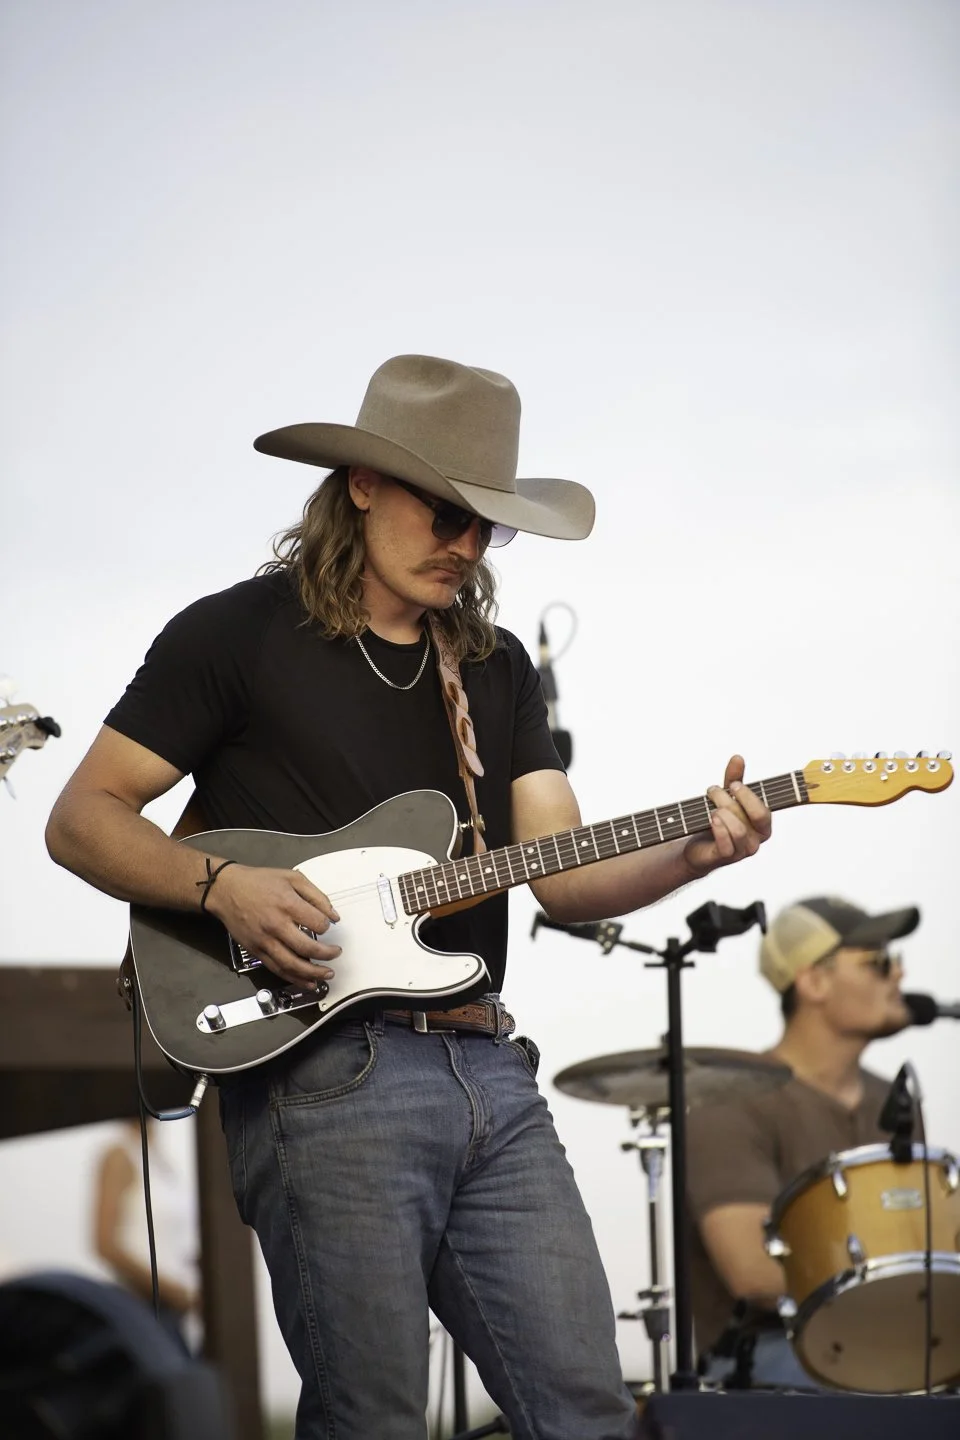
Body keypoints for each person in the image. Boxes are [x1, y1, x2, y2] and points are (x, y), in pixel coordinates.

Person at [45, 353, 772, 1440]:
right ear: (364, 484)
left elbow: (563, 878)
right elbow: (82, 818)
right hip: (323, 1071)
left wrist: (694, 855)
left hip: (490, 1070)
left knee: (585, 1409)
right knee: (372, 1418)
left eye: (490, 528)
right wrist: (223, 886)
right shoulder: (235, 635)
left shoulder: (497, 667)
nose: (468, 547)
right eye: (449, 514)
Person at [685, 895, 917, 1389]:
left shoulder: (893, 1100)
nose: (898, 975)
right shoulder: (731, 1101)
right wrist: (903, 1292)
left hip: (887, 1338)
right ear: (813, 981)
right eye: (878, 962)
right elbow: (753, 1273)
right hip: (768, 1356)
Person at [92, 1118, 201, 1351]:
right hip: (140, 1305)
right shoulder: (120, 1155)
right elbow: (106, 1245)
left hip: (174, 1312)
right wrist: (173, 1291)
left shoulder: (163, 1162)